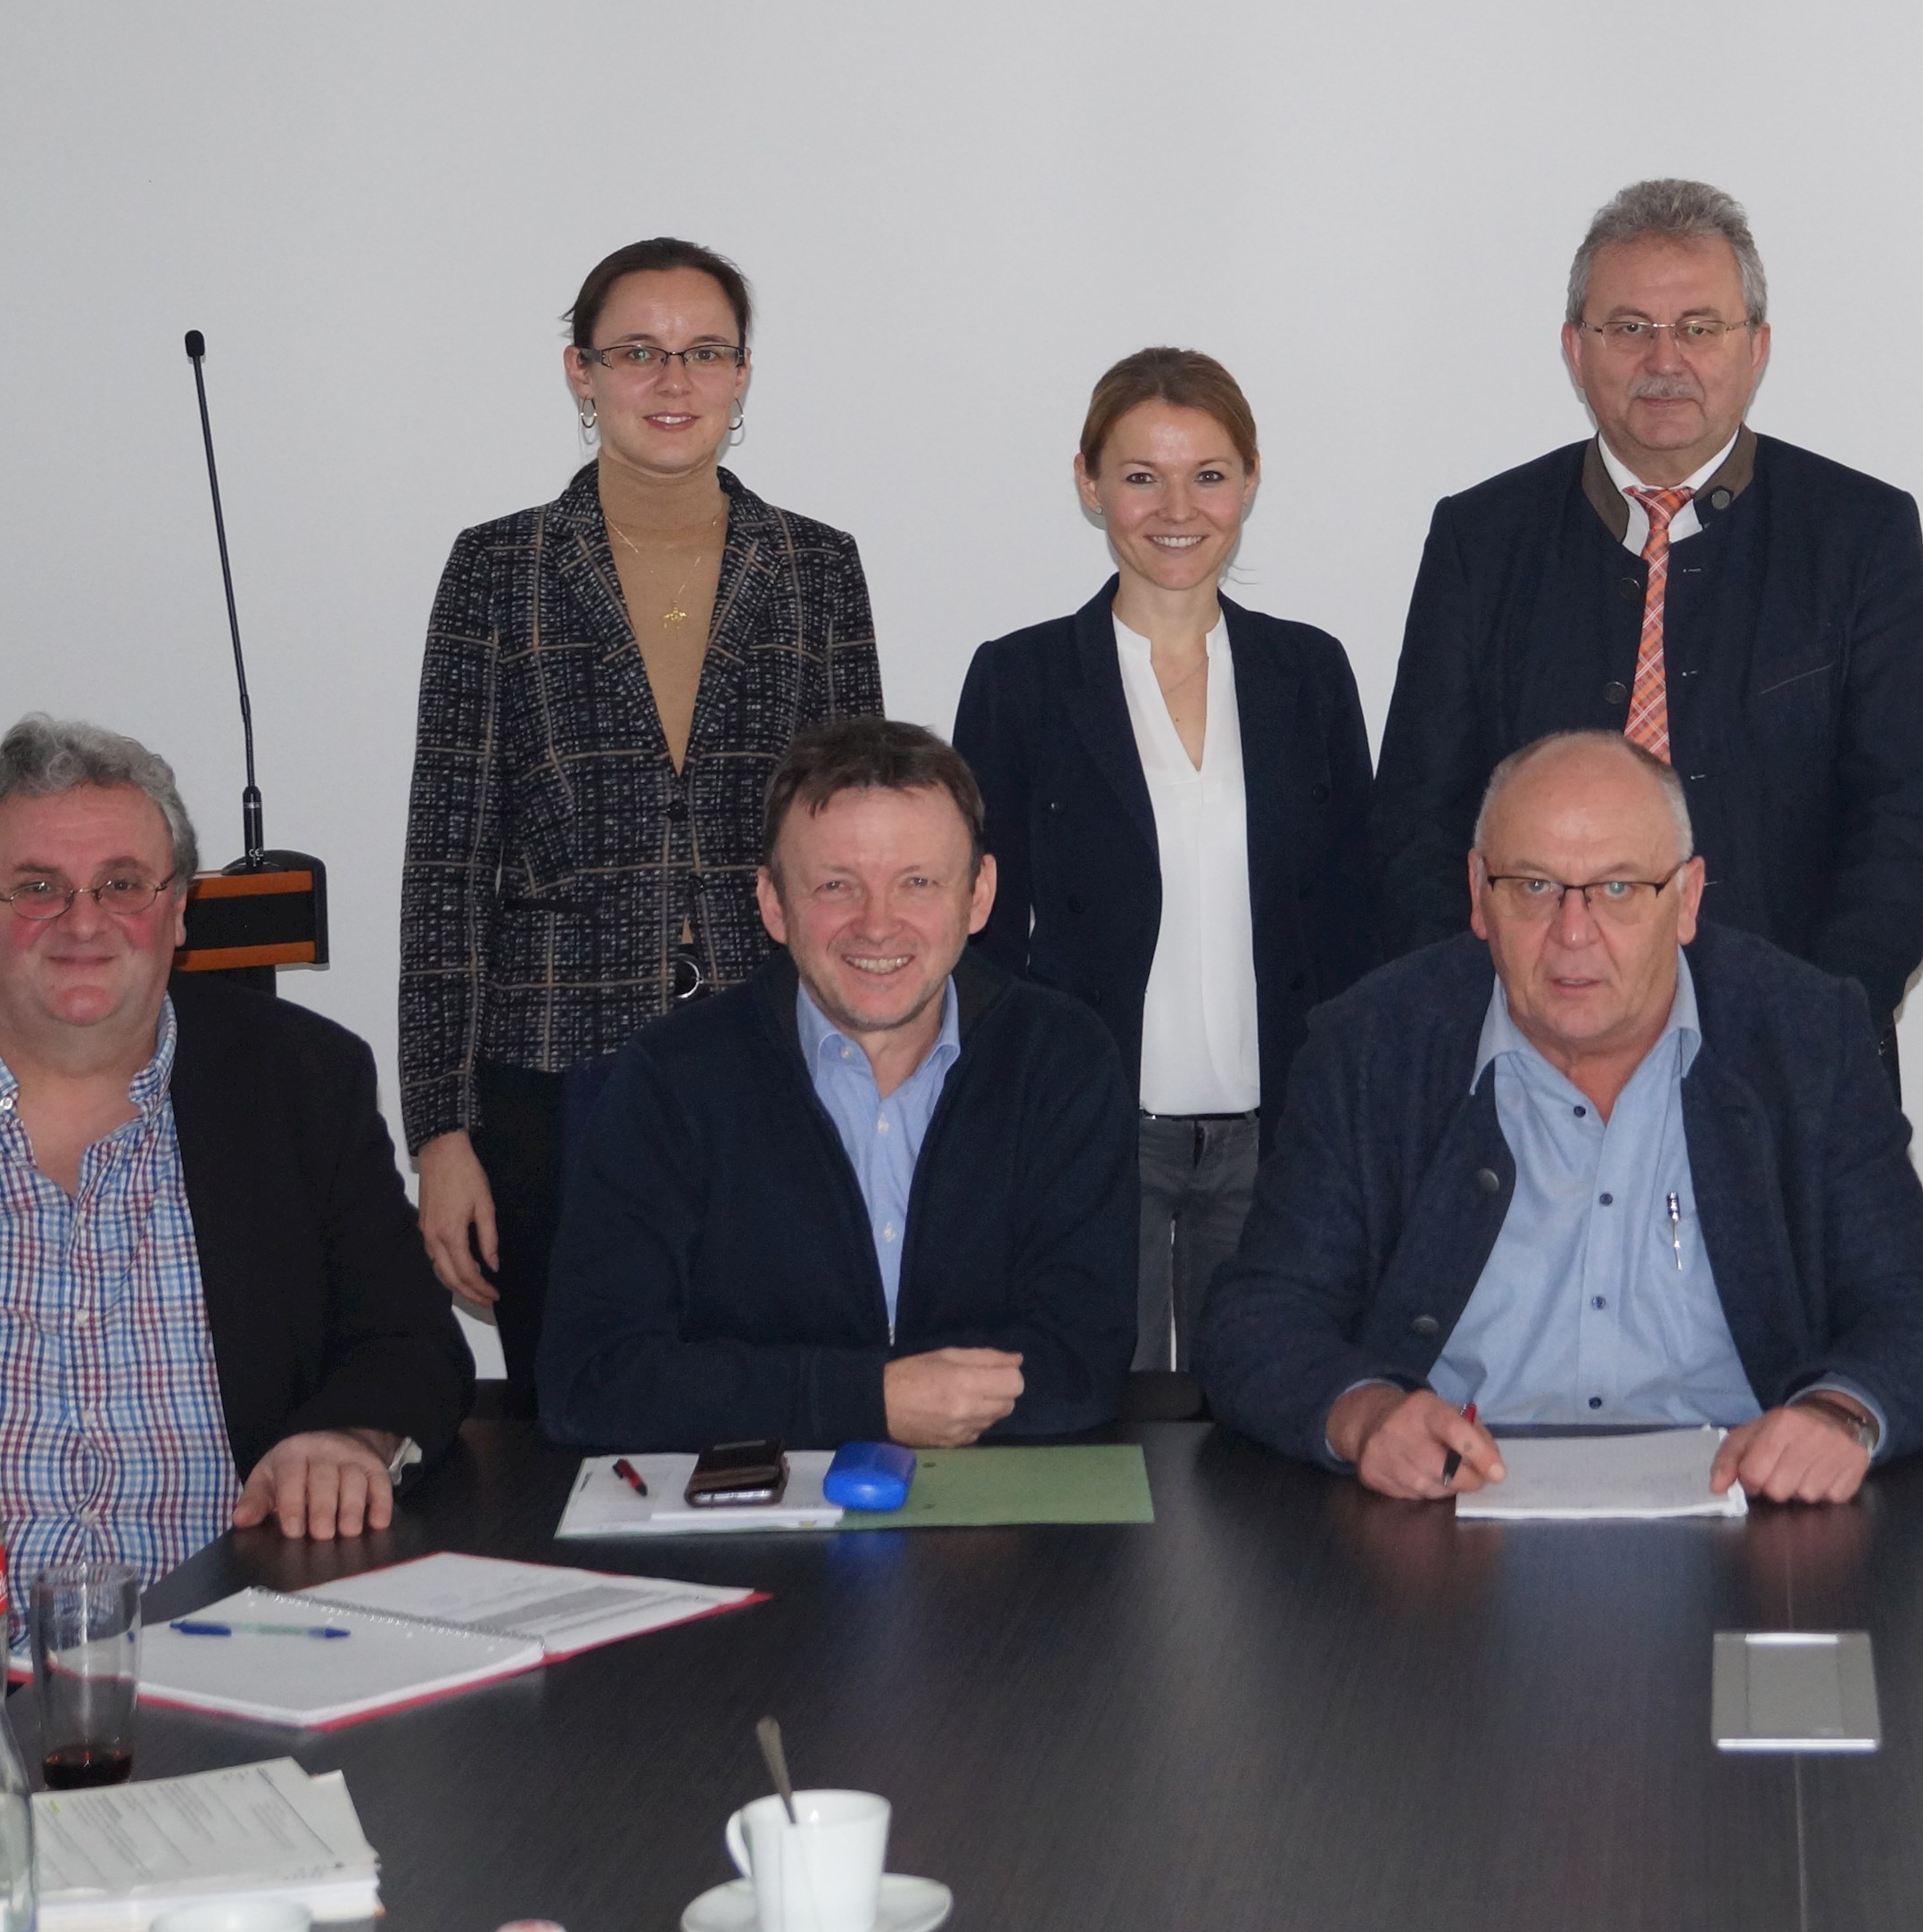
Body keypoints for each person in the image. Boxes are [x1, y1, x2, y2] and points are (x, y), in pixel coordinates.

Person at [0, 718, 470, 1779]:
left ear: (179, 907)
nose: (83, 922)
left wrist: (350, 1434)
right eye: (37, 888)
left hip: (207, 1639)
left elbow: (411, 1337)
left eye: (122, 884)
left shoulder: (300, 1081)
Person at [1201, 731, 1923, 1502]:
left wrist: (1836, 1415)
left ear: (1687, 898)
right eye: (1534, 886)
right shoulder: (1375, 1046)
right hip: (1449, 1524)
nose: (1573, 933)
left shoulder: (1805, 1040)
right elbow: (1259, 1317)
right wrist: (1368, 1416)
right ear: (1479, 896)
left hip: (1740, 1519)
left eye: (1617, 888)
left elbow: (1920, 1311)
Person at [401, 236, 883, 1390]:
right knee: (575, 1404)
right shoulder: (497, 570)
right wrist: (440, 1131)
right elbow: (445, 859)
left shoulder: (818, 567)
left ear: (741, 373)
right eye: (638, 352)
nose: (673, 381)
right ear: (581, 370)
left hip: (777, 1054)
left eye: (703, 351)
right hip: (553, 1068)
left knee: (771, 1394)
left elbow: (864, 844)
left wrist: (878, 1065)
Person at [1374, 179, 1923, 1055]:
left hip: (1787, 1046)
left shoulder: (1857, 533)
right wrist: (1487, 1016)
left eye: (1698, 326)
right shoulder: (1481, 540)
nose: (1664, 359)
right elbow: (1420, 820)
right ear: (1575, 348)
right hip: (1522, 1045)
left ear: (1755, 348)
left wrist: (1813, 1020)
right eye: (1628, 328)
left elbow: (1902, 810)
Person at [542, 719, 1136, 1451]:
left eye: (917, 882)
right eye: (835, 885)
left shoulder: (1061, 1060)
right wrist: (871, 1401)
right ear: (772, 903)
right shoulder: (673, 1079)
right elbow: (590, 1381)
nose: (877, 925)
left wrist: (773, 1393)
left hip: (995, 1532)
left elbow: (1081, 1366)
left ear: (979, 895)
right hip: (749, 1531)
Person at [952, 350, 1375, 1369]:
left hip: (1277, 1137)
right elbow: (980, 930)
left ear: (1250, 480)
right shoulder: (1019, 680)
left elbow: (1356, 915)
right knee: (1105, 1426)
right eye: (1141, 475)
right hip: (1094, 1137)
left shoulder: (1309, 674)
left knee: (1264, 1424)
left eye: (1209, 475)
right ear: (1090, 484)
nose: (1176, 507)